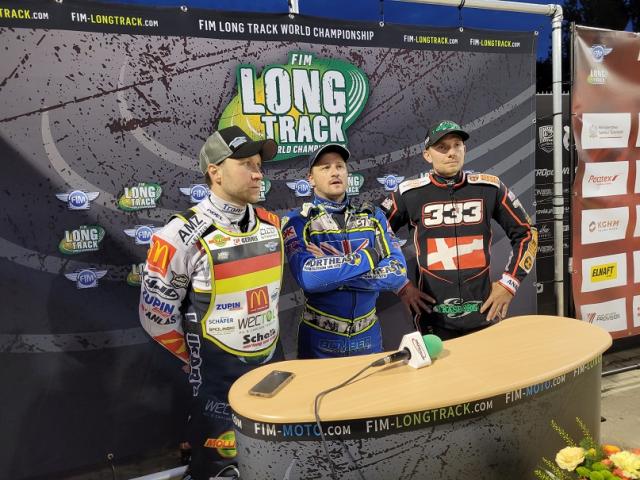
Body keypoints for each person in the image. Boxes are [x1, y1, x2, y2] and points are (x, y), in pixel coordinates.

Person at [139, 126, 284, 480]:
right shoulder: (179, 235)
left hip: (271, 370)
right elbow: (155, 315)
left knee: (277, 464)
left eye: (259, 165)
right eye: (246, 164)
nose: (257, 174)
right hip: (217, 386)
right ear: (215, 172)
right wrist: (193, 358)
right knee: (223, 471)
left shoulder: (272, 224)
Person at [381, 120, 537, 340]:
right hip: (432, 316)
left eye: (457, 145)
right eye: (442, 147)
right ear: (427, 155)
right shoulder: (408, 193)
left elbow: (527, 234)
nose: (451, 153)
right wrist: (402, 286)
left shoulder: (489, 187)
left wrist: (509, 284)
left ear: (465, 149)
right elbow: (373, 236)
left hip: (483, 311)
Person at [283, 143, 409, 359]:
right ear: (310, 179)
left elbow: (397, 273)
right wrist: (370, 257)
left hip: (368, 336)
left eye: (340, 166)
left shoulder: (372, 216)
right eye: (325, 167)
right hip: (320, 339)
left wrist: (334, 269)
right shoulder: (298, 221)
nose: (335, 172)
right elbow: (310, 279)